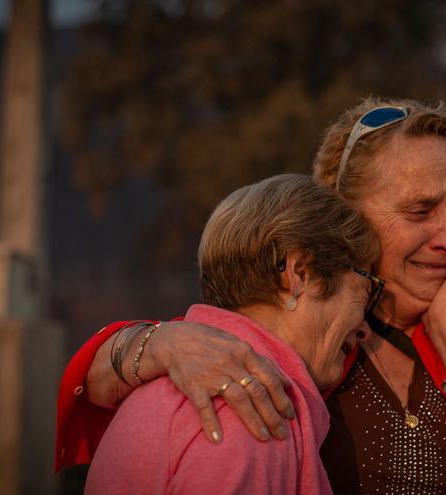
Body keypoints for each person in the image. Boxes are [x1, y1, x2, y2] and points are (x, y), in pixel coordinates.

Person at [56, 97, 446, 494]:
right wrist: (160, 343)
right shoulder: (306, 327)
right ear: (345, 217)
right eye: (420, 210)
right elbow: (106, 385)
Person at [85, 174, 381, 493]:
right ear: (300, 274)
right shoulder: (252, 412)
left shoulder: (160, 387)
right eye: (367, 287)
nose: (365, 328)